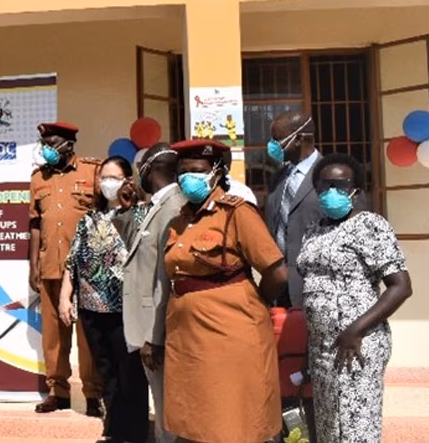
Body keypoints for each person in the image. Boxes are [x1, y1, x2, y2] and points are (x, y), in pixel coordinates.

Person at [162, 139, 287, 443]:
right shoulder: (180, 220)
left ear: (217, 172)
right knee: (194, 418)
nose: (187, 178)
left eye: (197, 170)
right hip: (187, 335)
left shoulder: (236, 212)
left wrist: (255, 302)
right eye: (183, 171)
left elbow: (276, 271)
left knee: (231, 417)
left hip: (230, 331)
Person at [297, 154, 413, 443]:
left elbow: (401, 287)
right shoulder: (314, 230)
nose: (331, 191)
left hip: (357, 343)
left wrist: (355, 329)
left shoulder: (370, 226)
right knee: (329, 426)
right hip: (322, 346)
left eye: (341, 184)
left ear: (356, 191)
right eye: (325, 185)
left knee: (355, 427)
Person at [58, 156, 149, 443]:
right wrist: (65, 297)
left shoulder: (139, 215)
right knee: (106, 371)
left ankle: (135, 432)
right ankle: (113, 428)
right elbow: (72, 260)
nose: (107, 183)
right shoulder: (89, 218)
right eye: (103, 177)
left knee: (130, 373)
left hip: (125, 308)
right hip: (92, 307)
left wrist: (128, 205)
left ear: (128, 181)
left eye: (114, 177)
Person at [28, 122, 103, 415]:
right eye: (43, 141)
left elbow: (105, 215)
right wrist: (33, 264)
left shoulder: (91, 171)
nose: (46, 147)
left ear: (68, 144)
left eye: (52, 141)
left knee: (88, 335)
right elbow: (35, 224)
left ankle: (94, 394)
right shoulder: (38, 178)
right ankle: (57, 392)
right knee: (53, 335)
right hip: (50, 266)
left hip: (86, 271)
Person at [115, 143, 186, 443]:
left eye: (138, 168)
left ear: (149, 170)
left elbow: (165, 278)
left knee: (168, 411)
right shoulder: (157, 204)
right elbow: (138, 249)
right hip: (148, 328)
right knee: (164, 407)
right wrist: (126, 211)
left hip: (157, 331)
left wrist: (155, 338)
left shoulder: (172, 207)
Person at [264, 111, 322, 308]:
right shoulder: (279, 177)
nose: (271, 145)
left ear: (298, 139)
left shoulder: (331, 175)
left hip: (316, 289)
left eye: (277, 139)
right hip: (278, 287)